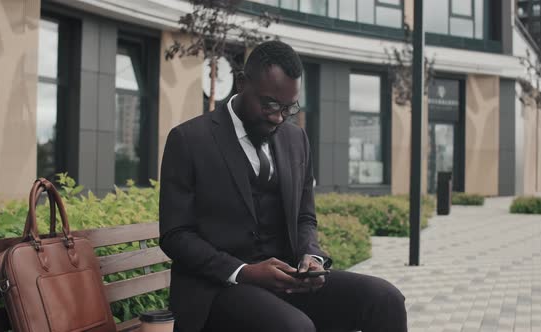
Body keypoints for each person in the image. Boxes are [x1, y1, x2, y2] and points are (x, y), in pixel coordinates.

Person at [159, 40, 407, 332]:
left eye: (289, 108)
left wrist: (310, 257)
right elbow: (176, 235)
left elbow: (305, 216)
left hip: (287, 283)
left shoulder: (295, 139)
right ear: (241, 83)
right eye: (270, 104)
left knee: (386, 299)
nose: (278, 117)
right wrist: (244, 272)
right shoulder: (189, 141)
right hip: (216, 291)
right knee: (294, 328)